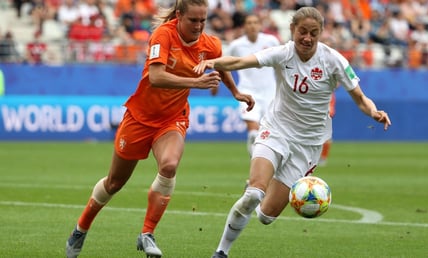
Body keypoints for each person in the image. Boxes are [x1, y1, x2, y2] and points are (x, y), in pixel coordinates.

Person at [193, 6, 391, 258]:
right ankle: (221, 251)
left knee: (265, 216)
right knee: (253, 193)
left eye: (313, 33)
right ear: (292, 30)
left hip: (308, 145)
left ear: (321, 33)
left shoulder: (334, 61)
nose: (307, 38)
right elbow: (241, 61)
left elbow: (361, 98)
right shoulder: (283, 53)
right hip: (276, 130)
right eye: (302, 32)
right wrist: (212, 62)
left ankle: (258, 194)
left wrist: (374, 112)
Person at [65, 0, 254, 257]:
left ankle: (147, 233)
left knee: (169, 165)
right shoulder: (163, 35)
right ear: (179, 15)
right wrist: (196, 83)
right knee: (114, 183)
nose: (199, 26)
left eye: (203, 20)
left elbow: (219, 64)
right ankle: (81, 227)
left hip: (172, 119)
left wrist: (236, 92)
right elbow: (156, 77)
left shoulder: (210, 44)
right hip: (139, 119)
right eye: (193, 20)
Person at [226, 13, 280, 157]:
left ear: (260, 25)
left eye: (255, 22)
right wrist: (215, 83)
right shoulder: (236, 45)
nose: (252, 25)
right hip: (247, 92)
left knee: (270, 134)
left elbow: (282, 64)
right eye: (249, 23)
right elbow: (223, 64)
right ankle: (256, 168)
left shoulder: (271, 41)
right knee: (253, 132)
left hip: (270, 93)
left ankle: (270, 167)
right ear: (244, 26)